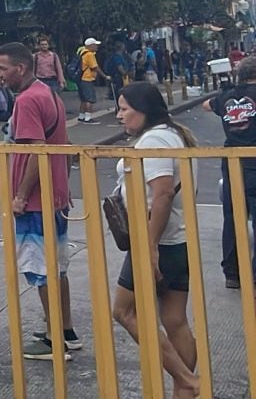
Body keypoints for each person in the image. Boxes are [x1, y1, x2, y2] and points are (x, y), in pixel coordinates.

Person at [112, 83, 199, 399]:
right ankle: (185, 390)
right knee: (174, 320)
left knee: (124, 311)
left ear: (143, 109)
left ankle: (188, 381)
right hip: (177, 240)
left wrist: (148, 247)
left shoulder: (156, 138)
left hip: (158, 240)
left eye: (124, 108)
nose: (120, 115)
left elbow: (161, 193)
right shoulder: (172, 134)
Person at [0, 41, 80, 361]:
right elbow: (64, 145)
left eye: (3, 68)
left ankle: (52, 340)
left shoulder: (28, 99)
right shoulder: (48, 93)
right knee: (57, 266)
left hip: (35, 199)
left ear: (20, 68)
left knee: (40, 268)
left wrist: (20, 195)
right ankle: (66, 330)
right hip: (54, 194)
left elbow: (35, 150)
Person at [206, 56, 256, 289]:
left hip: (233, 162)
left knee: (233, 217)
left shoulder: (226, 97)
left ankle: (232, 272)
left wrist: (229, 93)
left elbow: (207, 105)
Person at [76, 38, 106, 124]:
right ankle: (88, 118)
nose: (97, 46)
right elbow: (95, 67)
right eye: (95, 45)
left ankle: (81, 116)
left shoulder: (81, 52)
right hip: (87, 78)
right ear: (90, 46)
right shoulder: (89, 55)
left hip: (81, 78)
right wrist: (104, 76)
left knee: (84, 99)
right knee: (90, 99)